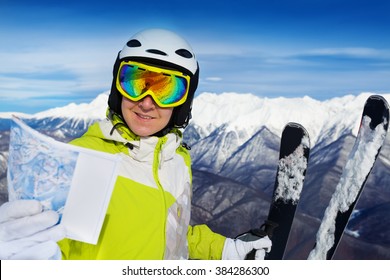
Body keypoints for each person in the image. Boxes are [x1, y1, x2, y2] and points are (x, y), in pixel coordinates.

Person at [0, 29, 271, 260]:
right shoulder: (83, 158)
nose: (147, 101)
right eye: (135, 83)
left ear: (182, 104)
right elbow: (51, 242)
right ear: (118, 90)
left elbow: (172, 233)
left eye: (167, 89)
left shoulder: (176, 160)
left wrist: (226, 250)